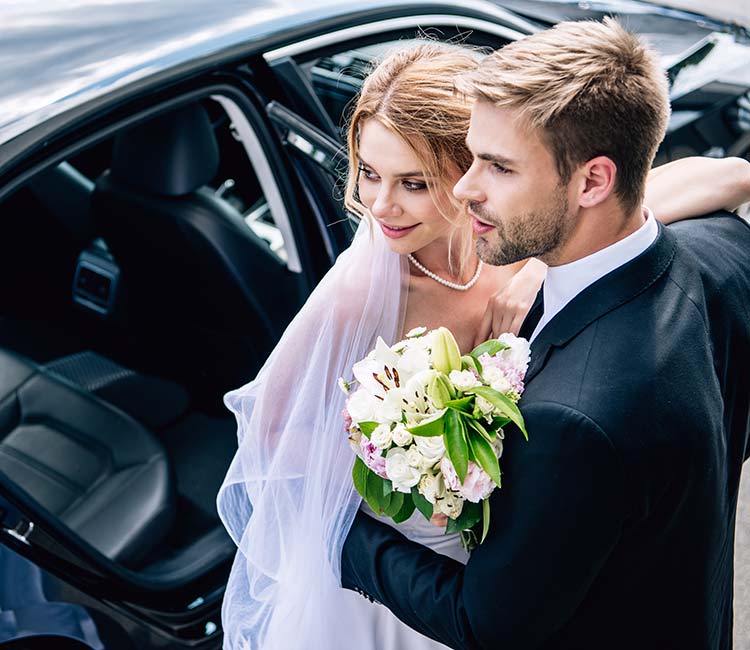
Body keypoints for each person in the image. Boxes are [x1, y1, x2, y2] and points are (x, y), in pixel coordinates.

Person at [218, 38, 750, 649]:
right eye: (368, 172)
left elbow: (722, 177)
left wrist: (531, 272)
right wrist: (384, 476)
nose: (380, 205)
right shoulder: (363, 291)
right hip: (408, 577)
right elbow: (272, 446)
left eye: (414, 183)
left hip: (527, 566)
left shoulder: (528, 241)